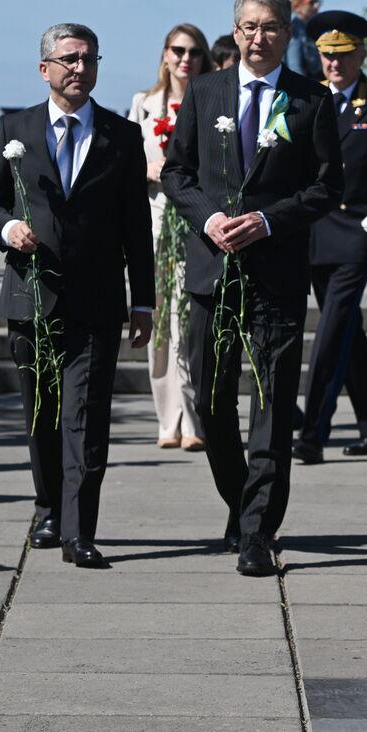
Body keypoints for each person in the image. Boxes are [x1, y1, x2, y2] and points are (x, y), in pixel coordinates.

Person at [161, 0, 343, 577]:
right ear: (234, 32)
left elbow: (325, 188)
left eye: (269, 27)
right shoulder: (206, 90)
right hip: (213, 274)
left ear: (287, 35)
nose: (257, 37)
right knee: (212, 401)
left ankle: (260, 530)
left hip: (276, 272)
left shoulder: (311, 100)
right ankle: (240, 501)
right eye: (247, 26)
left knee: (269, 403)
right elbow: (176, 172)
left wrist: (267, 220)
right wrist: (210, 218)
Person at [0, 23, 155, 569]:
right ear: (45, 68)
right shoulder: (16, 128)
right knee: (42, 413)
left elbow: (135, 227)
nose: (80, 68)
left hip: (96, 301)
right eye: (70, 59)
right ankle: (48, 508)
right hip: (31, 297)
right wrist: (8, 231)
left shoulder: (121, 136)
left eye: (90, 59)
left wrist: (142, 300)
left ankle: (80, 531)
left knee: (86, 414)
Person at [291, 11, 367, 465]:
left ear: (361, 55)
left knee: (332, 327)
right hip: (315, 229)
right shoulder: (305, 100)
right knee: (347, 332)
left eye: (344, 56)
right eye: (326, 56)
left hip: (359, 229)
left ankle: (313, 431)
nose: (334, 65)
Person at [129, 23, 211, 452]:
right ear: (164, 55)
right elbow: (124, 161)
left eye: (194, 52)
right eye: (178, 50)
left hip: (197, 221)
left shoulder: (215, 98)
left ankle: (195, 417)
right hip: (157, 219)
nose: (185, 59)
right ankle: (168, 418)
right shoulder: (144, 104)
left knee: (192, 325)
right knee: (159, 320)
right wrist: (148, 170)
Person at [286, 0, 323, 80]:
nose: (316, 6)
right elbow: (295, 68)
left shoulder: (314, 29)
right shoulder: (295, 31)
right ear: (297, 6)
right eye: (311, 2)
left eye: (317, 2)